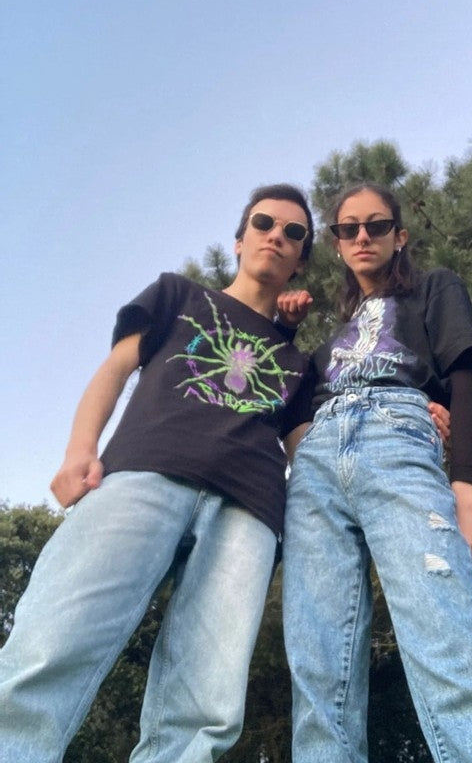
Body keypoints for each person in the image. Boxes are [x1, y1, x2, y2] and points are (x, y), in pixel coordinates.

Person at [0, 184, 316, 763]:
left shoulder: (298, 361)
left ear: (300, 260)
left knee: (204, 705)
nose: (276, 235)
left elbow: (306, 451)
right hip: (143, 474)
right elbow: (117, 367)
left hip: (250, 510)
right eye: (264, 222)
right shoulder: (177, 294)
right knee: (51, 642)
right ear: (239, 239)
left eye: (294, 232)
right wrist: (79, 449)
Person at [278, 183, 472, 763]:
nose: (362, 236)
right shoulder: (329, 344)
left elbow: (466, 380)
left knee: (446, 636)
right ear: (337, 243)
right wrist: (288, 331)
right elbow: (286, 401)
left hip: (395, 432)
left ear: (399, 236)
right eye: (348, 228)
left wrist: (465, 498)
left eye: (376, 225)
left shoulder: (434, 288)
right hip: (316, 465)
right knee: (318, 669)